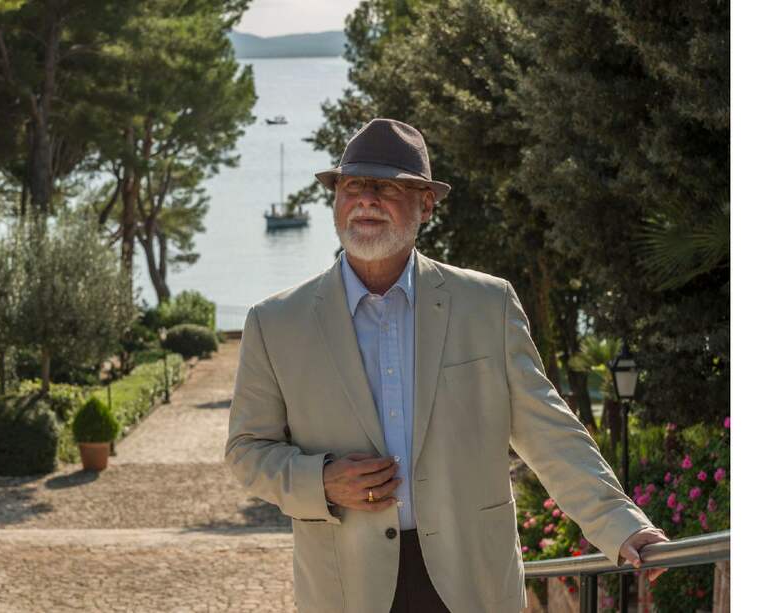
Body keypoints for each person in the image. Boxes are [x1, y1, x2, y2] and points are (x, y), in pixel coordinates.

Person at [225, 118, 668, 612]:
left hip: (472, 582)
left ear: (426, 204)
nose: (366, 199)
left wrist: (622, 524)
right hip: (345, 588)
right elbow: (247, 451)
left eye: (387, 187)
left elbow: (549, 432)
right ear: (335, 199)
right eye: (353, 185)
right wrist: (321, 481)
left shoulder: (487, 304)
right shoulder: (275, 322)